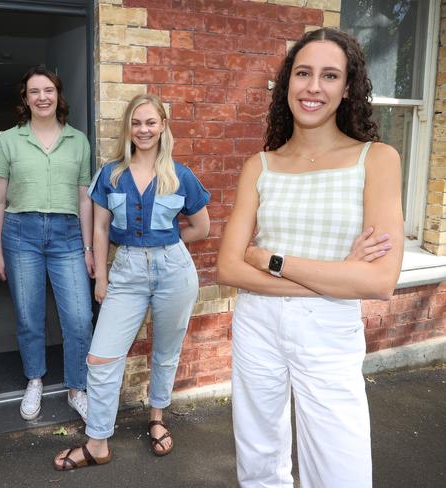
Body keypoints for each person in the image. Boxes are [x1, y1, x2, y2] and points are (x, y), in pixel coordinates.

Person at [216, 28, 404, 488]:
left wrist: (270, 259)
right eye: (303, 73)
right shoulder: (260, 165)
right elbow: (227, 267)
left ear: (347, 88)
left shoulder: (376, 159)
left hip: (329, 329)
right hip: (257, 323)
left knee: (342, 469)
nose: (313, 87)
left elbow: (379, 280)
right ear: (288, 84)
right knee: (259, 460)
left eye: (329, 75)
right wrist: (339, 274)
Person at [53, 93, 211, 470]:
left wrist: (165, 245)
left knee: (166, 351)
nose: (143, 130)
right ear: (128, 128)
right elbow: (101, 228)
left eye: (150, 122)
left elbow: (202, 227)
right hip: (125, 273)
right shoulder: (111, 174)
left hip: (174, 270)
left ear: (162, 126)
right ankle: (98, 442)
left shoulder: (180, 175)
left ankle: (157, 418)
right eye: (136, 123)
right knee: (101, 356)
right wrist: (101, 278)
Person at [0, 66, 93, 422]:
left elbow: (84, 199)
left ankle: (77, 386)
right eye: (34, 91)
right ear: (25, 98)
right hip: (20, 234)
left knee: (78, 316)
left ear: (58, 95)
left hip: (67, 235)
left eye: (48, 90)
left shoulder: (78, 140)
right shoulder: (9, 140)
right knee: (29, 315)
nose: (42, 97)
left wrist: (89, 248)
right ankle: (35, 378)